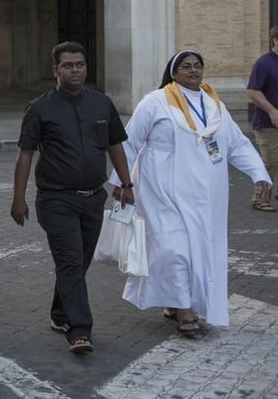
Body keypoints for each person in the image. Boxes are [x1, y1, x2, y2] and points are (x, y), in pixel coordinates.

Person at [114, 50, 269, 337]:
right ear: (174, 72)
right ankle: (186, 312)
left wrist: (259, 173)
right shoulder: (155, 102)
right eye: (186, 66)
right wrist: (121, 182)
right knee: (174, 249)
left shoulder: (214, 104)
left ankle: (176, 302)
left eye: (198, 65)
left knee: (198, 250)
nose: (193, 70)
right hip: (161, 190)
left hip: (205, 194)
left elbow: (236, 144)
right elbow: (129, 141)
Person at [10, 41, 133, 355]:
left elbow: (115, 145)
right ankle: (79, 330)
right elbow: (25, 154)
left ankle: (60, 313)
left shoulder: (102, 104)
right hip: (56, 200)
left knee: (78, 263)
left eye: (80, 64)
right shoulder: (39, 108)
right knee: (70, 260)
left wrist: (126, 183)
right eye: (68, 65)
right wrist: (18, 198)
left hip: (94, 198)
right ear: (56, 69)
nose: (75, 70)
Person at [246, 26, 278, 212]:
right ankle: (260, 198)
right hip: (267, 123)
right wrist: (272, 111)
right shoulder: (264, 63)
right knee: (270, 161)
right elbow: (252, 90)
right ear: (275, 40)